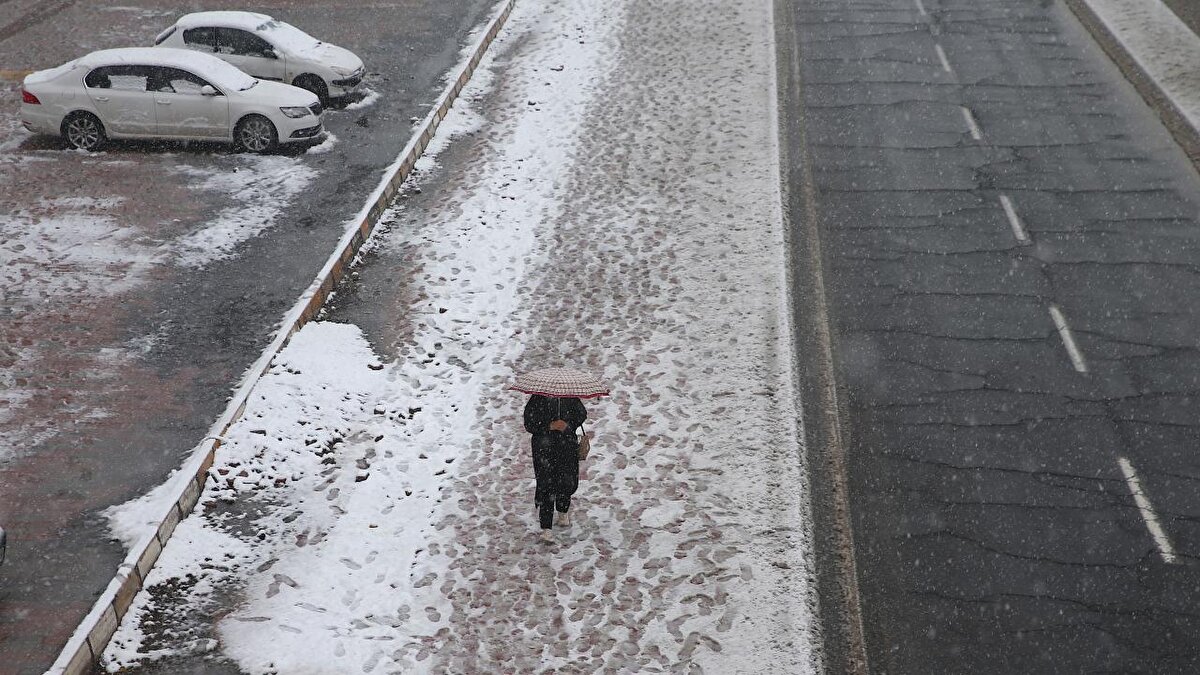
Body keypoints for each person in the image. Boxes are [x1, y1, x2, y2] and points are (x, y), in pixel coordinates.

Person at [523, 394, 586, 540]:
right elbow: (529, 423)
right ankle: (546, 526)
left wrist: (567, 425)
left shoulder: (570, 397)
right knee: (546, 484)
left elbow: (581, 414)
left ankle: (563, 511)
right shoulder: (538, 398)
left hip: (566, 446)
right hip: (544, 449)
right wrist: (549, 426)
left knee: (566, 479)